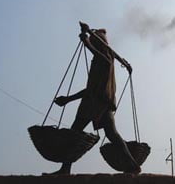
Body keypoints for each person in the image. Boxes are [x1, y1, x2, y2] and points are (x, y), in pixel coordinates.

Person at [44, 22, 141, 175]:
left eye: (96, 44)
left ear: (99, 45)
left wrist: (86, 40)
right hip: (103, 104)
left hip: (94, 104)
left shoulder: (105, 61)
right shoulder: (106, 60)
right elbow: (92, 87)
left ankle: (65, 168)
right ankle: (132, 165)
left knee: (74, 132)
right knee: (112, 134)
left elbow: (91, 87)